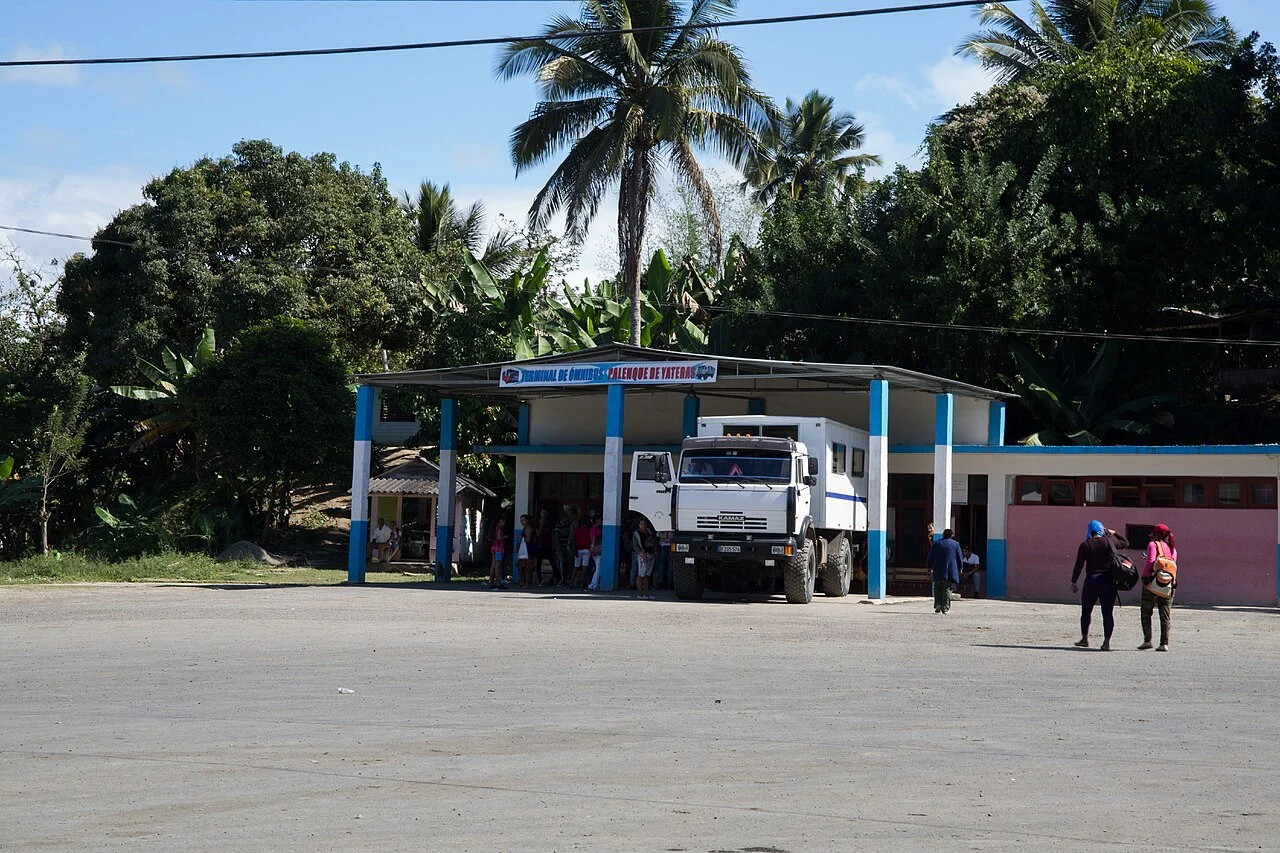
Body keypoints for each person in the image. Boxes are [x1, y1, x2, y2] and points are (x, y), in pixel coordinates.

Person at [1071, 520, 1129, 651]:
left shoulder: (1085, 545)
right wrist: (1114, 533)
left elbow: (1079, 565)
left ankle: (1085, 639)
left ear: (1090, 531)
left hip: (1091, 580)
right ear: (1101, 530)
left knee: (1086, 611)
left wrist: (1073, 581)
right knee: (1107, 613)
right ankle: (1106, 642)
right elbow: (1126, 543)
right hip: (1108, 581)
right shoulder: (1109, 542)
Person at [1139, 523, 1178, 652]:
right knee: (1165, 614)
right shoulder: (1173, 549)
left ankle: (1147, 640)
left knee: (1146, 611)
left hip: (1153, 584)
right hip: (1168, 586)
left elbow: (1150, 561)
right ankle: (1164, 643)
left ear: (1155, 534)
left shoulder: (1153, 545)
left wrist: (1144, 576)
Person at [926, 528, 963, 614]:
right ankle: (945, 608)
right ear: (951, 535)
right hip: (950, 570)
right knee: (947, 589)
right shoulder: (956, 544)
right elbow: (959, 557)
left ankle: (938, 605)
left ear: (943, 535)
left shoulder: (936, 543)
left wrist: (928, 566)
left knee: (937, 587)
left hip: (938, 570)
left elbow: (930, 556)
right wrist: (960, 567)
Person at [632, 518, 658, 599]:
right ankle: (640, 594)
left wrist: (655, 550)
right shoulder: (636, 534)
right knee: (641, 575)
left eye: (645, 524)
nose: (644, 526)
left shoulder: (649, 532)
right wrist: (642, 554)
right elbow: (636, 547)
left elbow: (653, 542)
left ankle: (646, 594)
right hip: (642, 556)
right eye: (642, 524)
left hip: (650, 555)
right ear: (639, 525)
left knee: (646, 575)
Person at [571, 510, 595, 588]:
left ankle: (571, 582)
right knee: (585, 566)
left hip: (578, 550)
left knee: (576, 566)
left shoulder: (577, 530)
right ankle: (582, 582)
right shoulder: (589, 530)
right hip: (586, 550)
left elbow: (573, 539)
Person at [536, 508, 557, 586]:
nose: (543, 514)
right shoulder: (538, 523)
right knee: (539, 563)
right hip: (540, 545)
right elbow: (538, 534)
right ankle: (540, 580)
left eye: (545, 513)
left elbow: (552, 534)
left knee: (553, 562)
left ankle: (556, 578)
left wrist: (554, 545)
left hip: (548, 545)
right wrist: (541, 524)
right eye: (542, 512)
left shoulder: (550, 523)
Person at [488, 516, 508, 590]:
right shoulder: (499, 528)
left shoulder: (494, 528)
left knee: (493, 565)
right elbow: (499, 537)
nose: (504, 523)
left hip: (493, 547)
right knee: (498, 565)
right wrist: (505, 537)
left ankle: (491, 582)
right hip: (498, 548)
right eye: (504, 522)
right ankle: (498, 583)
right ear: (501, 521)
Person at [586, 514, 604, 591]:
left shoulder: (593, 529)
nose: (601, 521)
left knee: (597, 567)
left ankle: (593, 584)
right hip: (597, 550)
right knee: (598, 568)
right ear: (596, 520)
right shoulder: (596, 530)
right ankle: (595, 585)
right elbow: (594, 539)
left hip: (594, 550)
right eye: (600, 519)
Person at [517, 514, 535, 587]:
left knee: (527, 566)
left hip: (527, 549)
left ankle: (526, 582)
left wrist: (522, 537)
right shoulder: (525, 528)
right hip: (524, 549)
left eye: (523, 520)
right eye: (521, 520)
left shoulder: (527, 528)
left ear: (527, 520)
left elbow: (528, 539)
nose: (522, 522)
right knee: (522, 566)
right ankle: (523, 581)